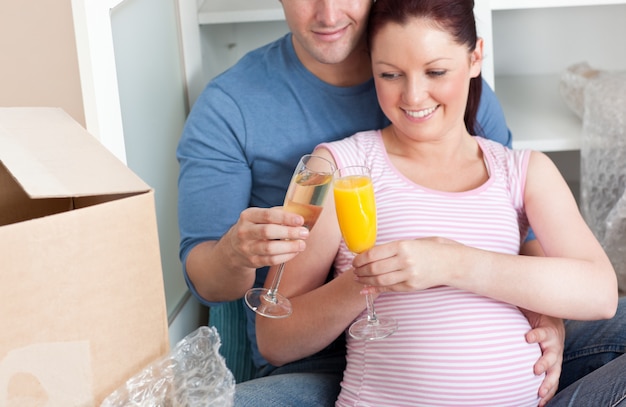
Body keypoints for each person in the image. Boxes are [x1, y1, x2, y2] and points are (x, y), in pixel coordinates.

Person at [176, 0, 626, 405]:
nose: (413, 97)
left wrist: (545, 311)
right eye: (390, 74)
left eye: (435, 72)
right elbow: (259, 320)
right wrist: (243, 255)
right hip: (336, 360)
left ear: (474, 61)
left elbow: (568, 270)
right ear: (374, 67)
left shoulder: (515, 162)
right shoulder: (328, 160)